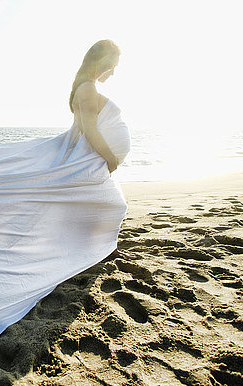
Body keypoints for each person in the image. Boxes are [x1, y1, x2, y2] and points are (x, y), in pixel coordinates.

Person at [69, 39, 136, 260]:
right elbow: (89, 129)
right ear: (101, 60)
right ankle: (106, 251)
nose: (114, 72)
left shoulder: (86, 85)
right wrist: (110, 158)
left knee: (108, 205)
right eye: (113, 66)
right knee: (114, 204)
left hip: (92, 159)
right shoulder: (87, 87)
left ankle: (106, 250)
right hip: (93, 158)